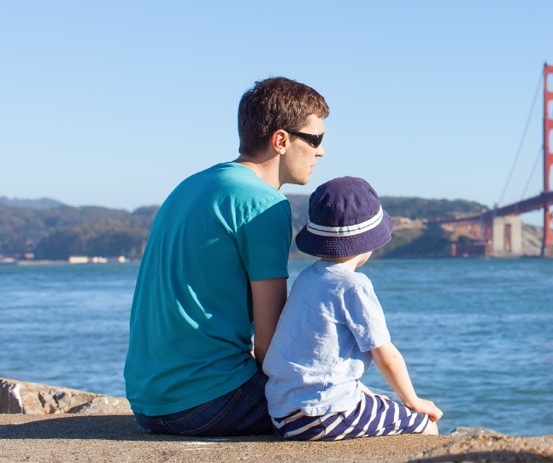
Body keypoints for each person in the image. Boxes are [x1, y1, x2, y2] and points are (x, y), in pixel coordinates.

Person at [124, 76, 329, 436]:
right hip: (208, 403)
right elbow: (270, 346)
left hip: (147, 402)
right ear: (281, 140)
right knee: (356, 410)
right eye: (315, 139)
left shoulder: (190, 185)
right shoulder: (264, 204)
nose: (321, 152)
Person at [264, 176, 442, 440]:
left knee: (382, 400)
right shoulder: (353, 285)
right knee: (423, 423)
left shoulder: (307, 279)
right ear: (369, 242)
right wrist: (415, 401)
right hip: (325, 414)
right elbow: (386, 355)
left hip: (283, 413)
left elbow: (315, 358)